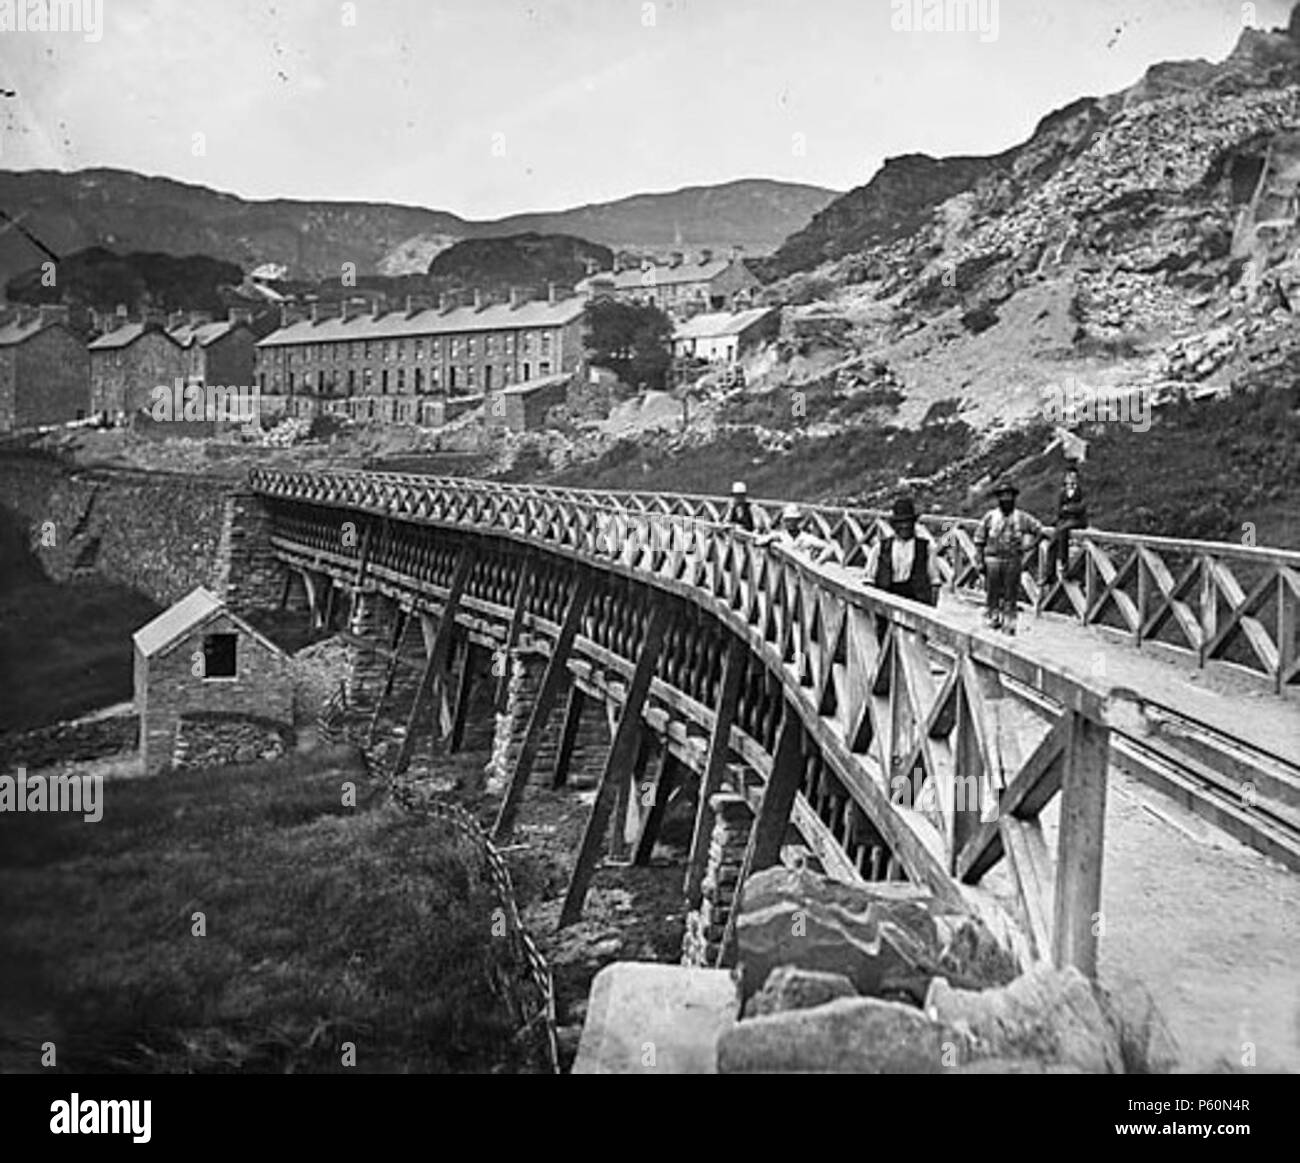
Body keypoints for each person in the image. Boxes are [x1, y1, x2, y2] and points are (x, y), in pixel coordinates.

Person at [973, 481, 1046, 635]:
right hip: (992, 559)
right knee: (992, 591)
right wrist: (979, 560)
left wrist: (1029, 547)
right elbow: (979, 539)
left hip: (1013, 559)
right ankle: (993, 618)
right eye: (1003, 496)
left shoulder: (1022, 517)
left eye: (1009, 496)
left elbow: (1039, 529)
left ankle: (1010, 623)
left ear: (1014, 498)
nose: (1006, 499)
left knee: (1010, 592)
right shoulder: (990, 517)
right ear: (998, 499)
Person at [864, 496, 942, 607]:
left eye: (908, 522)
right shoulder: (880, 547)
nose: (905, 526)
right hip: (886, 601)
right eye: (900, 522)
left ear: (913, 523)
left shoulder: (926, 547)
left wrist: (932, 608)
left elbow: (935, 581)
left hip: (917, 602)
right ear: (894, 525)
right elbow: (868, 581)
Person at [759, 502, 842, 566]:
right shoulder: (781, 535)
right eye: (788, 520)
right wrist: (770, 540)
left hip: (803, 573)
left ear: (797, 521)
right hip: (784, 574)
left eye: (793, 520)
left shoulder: (806, 538)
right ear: (784, 521)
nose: (790, 523)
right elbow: (758, 541)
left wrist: (818, 562)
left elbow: (829, 548)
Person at [1044, 463, 1088, 583]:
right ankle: (1049, 574)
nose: (1071, 479)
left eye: (1074, 477)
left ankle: (1064, 564)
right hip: (1064, 520)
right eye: (1069, 476)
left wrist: (1067, 509)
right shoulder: (1062, 492)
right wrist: (1068, 509)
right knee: (1053, 541)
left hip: (1078, 521)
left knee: (1063, 530)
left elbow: (1082, 508)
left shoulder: (1081, 491)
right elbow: (1058, 509)